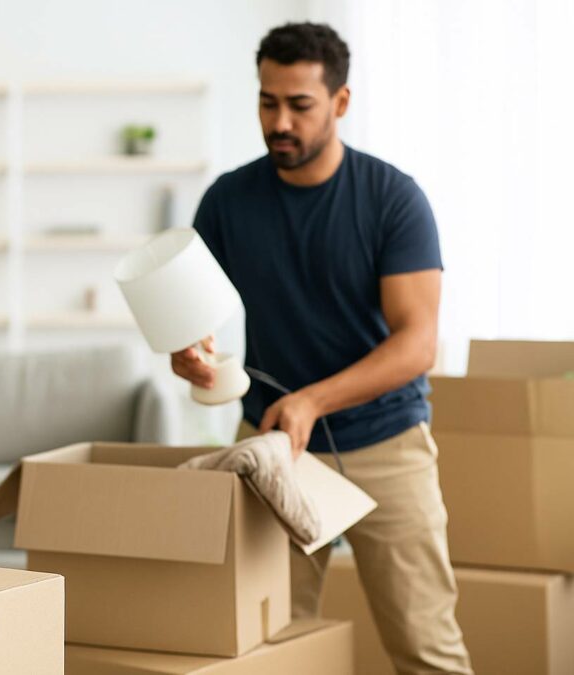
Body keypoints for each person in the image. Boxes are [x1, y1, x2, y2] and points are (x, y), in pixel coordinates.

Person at [173, 22, 473, 675]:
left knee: (427, 648)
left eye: (299, 104)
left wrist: (312, 399)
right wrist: (191, 355)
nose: (279, 121)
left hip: (386, 443)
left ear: (339, 102)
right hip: (272, 446)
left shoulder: (393, 200)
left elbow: (418, 343)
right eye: (266, 101)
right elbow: (194, 324)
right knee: (265, 644)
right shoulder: (227, 201)